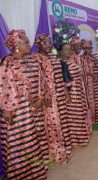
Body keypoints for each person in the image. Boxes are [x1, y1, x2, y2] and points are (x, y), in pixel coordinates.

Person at [0, 29, 48, 179]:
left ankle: (36, 172)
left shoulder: (32, 61)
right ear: (15, 45)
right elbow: (2, 86)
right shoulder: (6, 62)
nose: (29, 45)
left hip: (34, 109)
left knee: (34, 141)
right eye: (25, 42)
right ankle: (19, 174)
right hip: (15, 111)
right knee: (18, 143)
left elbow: (41, 81)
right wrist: (6, 109)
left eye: (28, 42)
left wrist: (40, 97)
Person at [34, 34, 72, 164]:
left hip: (59, 95)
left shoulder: (54, 58)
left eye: (50, 42)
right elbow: (36, 82)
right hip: (46, 99)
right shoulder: (35, 60)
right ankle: (52, 154)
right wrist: (43, 96)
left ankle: (60, 152)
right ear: (38, 44)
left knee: (59, 123)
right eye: (45, 42)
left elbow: (60, 78)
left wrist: (66, 92)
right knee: (50, 125)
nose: (49, 45)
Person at [58, 43, 90, 147]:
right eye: (65, 49)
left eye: (69, 49)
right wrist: (67, 94)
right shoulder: (60, 63)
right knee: (73, 116)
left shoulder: (70, 61)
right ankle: (74, 140)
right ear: (60, 51)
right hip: (71, 92)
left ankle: (80, 138)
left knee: (79, 115)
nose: (68, 51)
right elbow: (62, 81)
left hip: (78, 91)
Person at [80, 39, 97, 125]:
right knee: (88, 99)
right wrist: (90, 74)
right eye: (87, 48)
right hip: (85, 81)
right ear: (83, 49)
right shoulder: (81, 58)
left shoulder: (94, 58)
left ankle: (94, 118)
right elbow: (82, 70)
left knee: (94, 100)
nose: (89, 50)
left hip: (95, 82)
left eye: (90, 48)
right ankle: (88, 119)